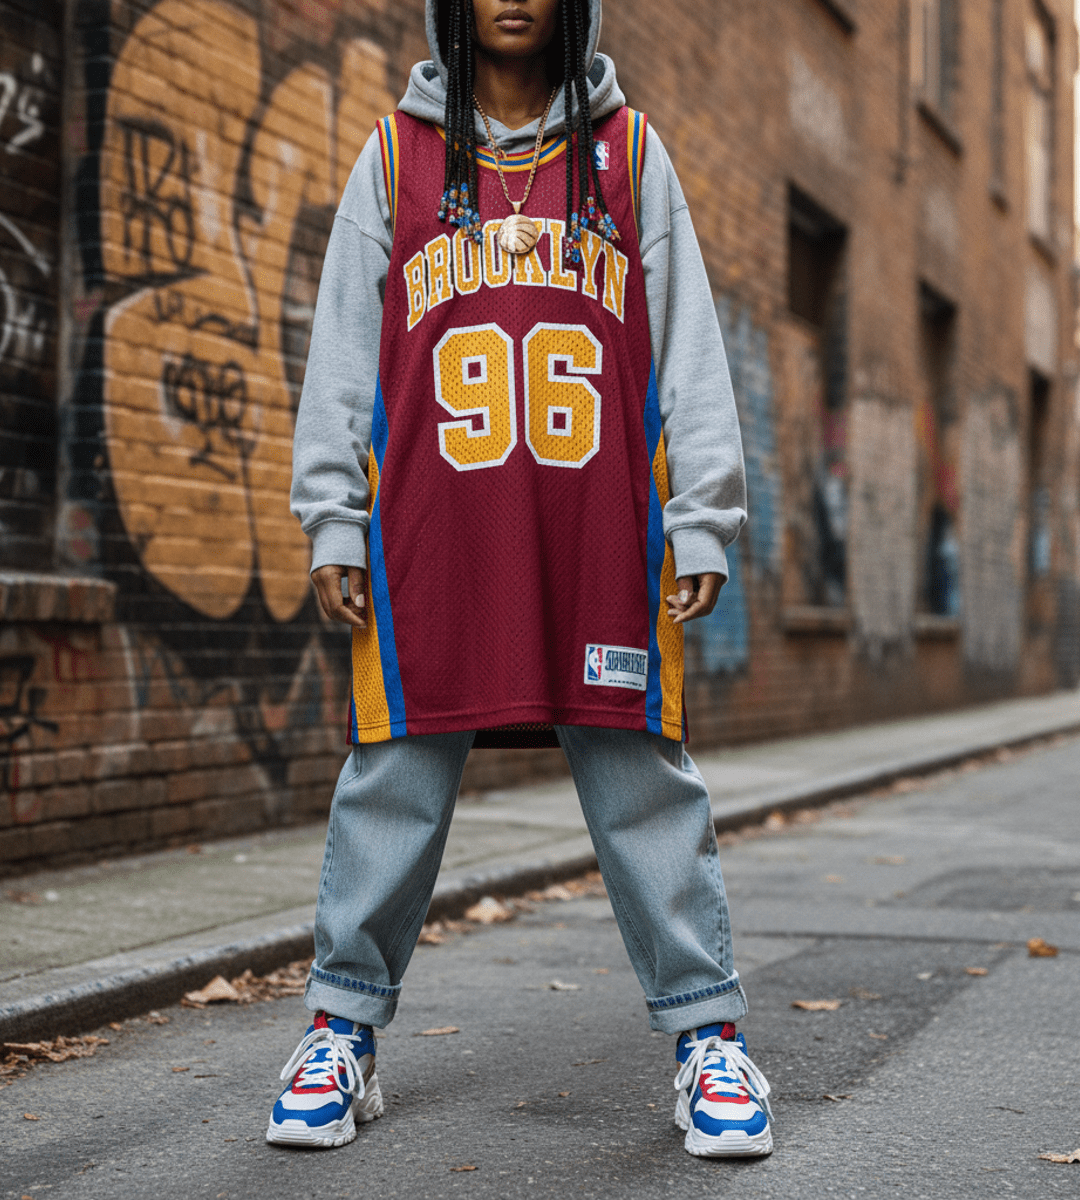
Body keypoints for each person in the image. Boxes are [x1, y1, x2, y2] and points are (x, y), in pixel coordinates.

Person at [274, 0, 773, 1159]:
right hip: (433, 529)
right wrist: (332, 523)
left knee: (640, 766)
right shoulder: (397, 156)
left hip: (595, 531)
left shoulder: (628, 153)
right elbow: (344, 348)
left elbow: (689, 347)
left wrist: (703, 519)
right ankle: (340, 1030)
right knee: (396, 767)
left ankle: (709, 1039)